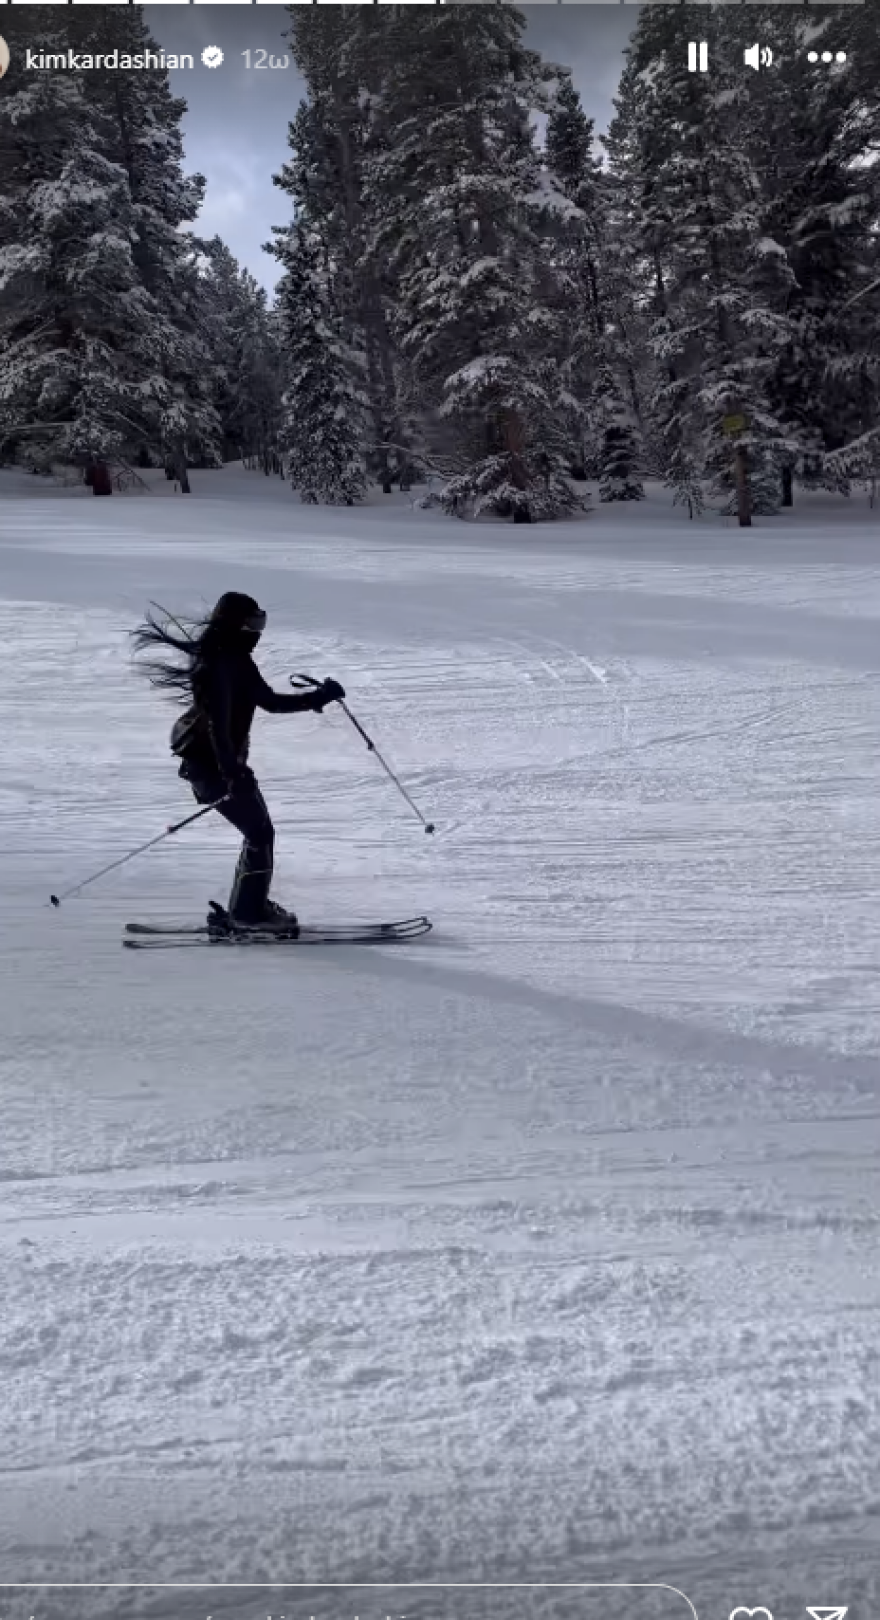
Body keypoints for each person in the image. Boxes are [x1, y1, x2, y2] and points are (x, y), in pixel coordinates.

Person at [132, 592, 344, 934]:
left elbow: (269, 702)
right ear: (238, 626)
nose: (258, 632)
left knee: (258, 833)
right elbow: (218, 724)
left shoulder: (224, 658)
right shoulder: (224, 662)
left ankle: (248, 908)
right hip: (214, 766)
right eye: (255, 623)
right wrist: (231, 773)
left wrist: (319, 698)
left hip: (214, 765)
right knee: (260, 833)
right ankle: (249, 915)